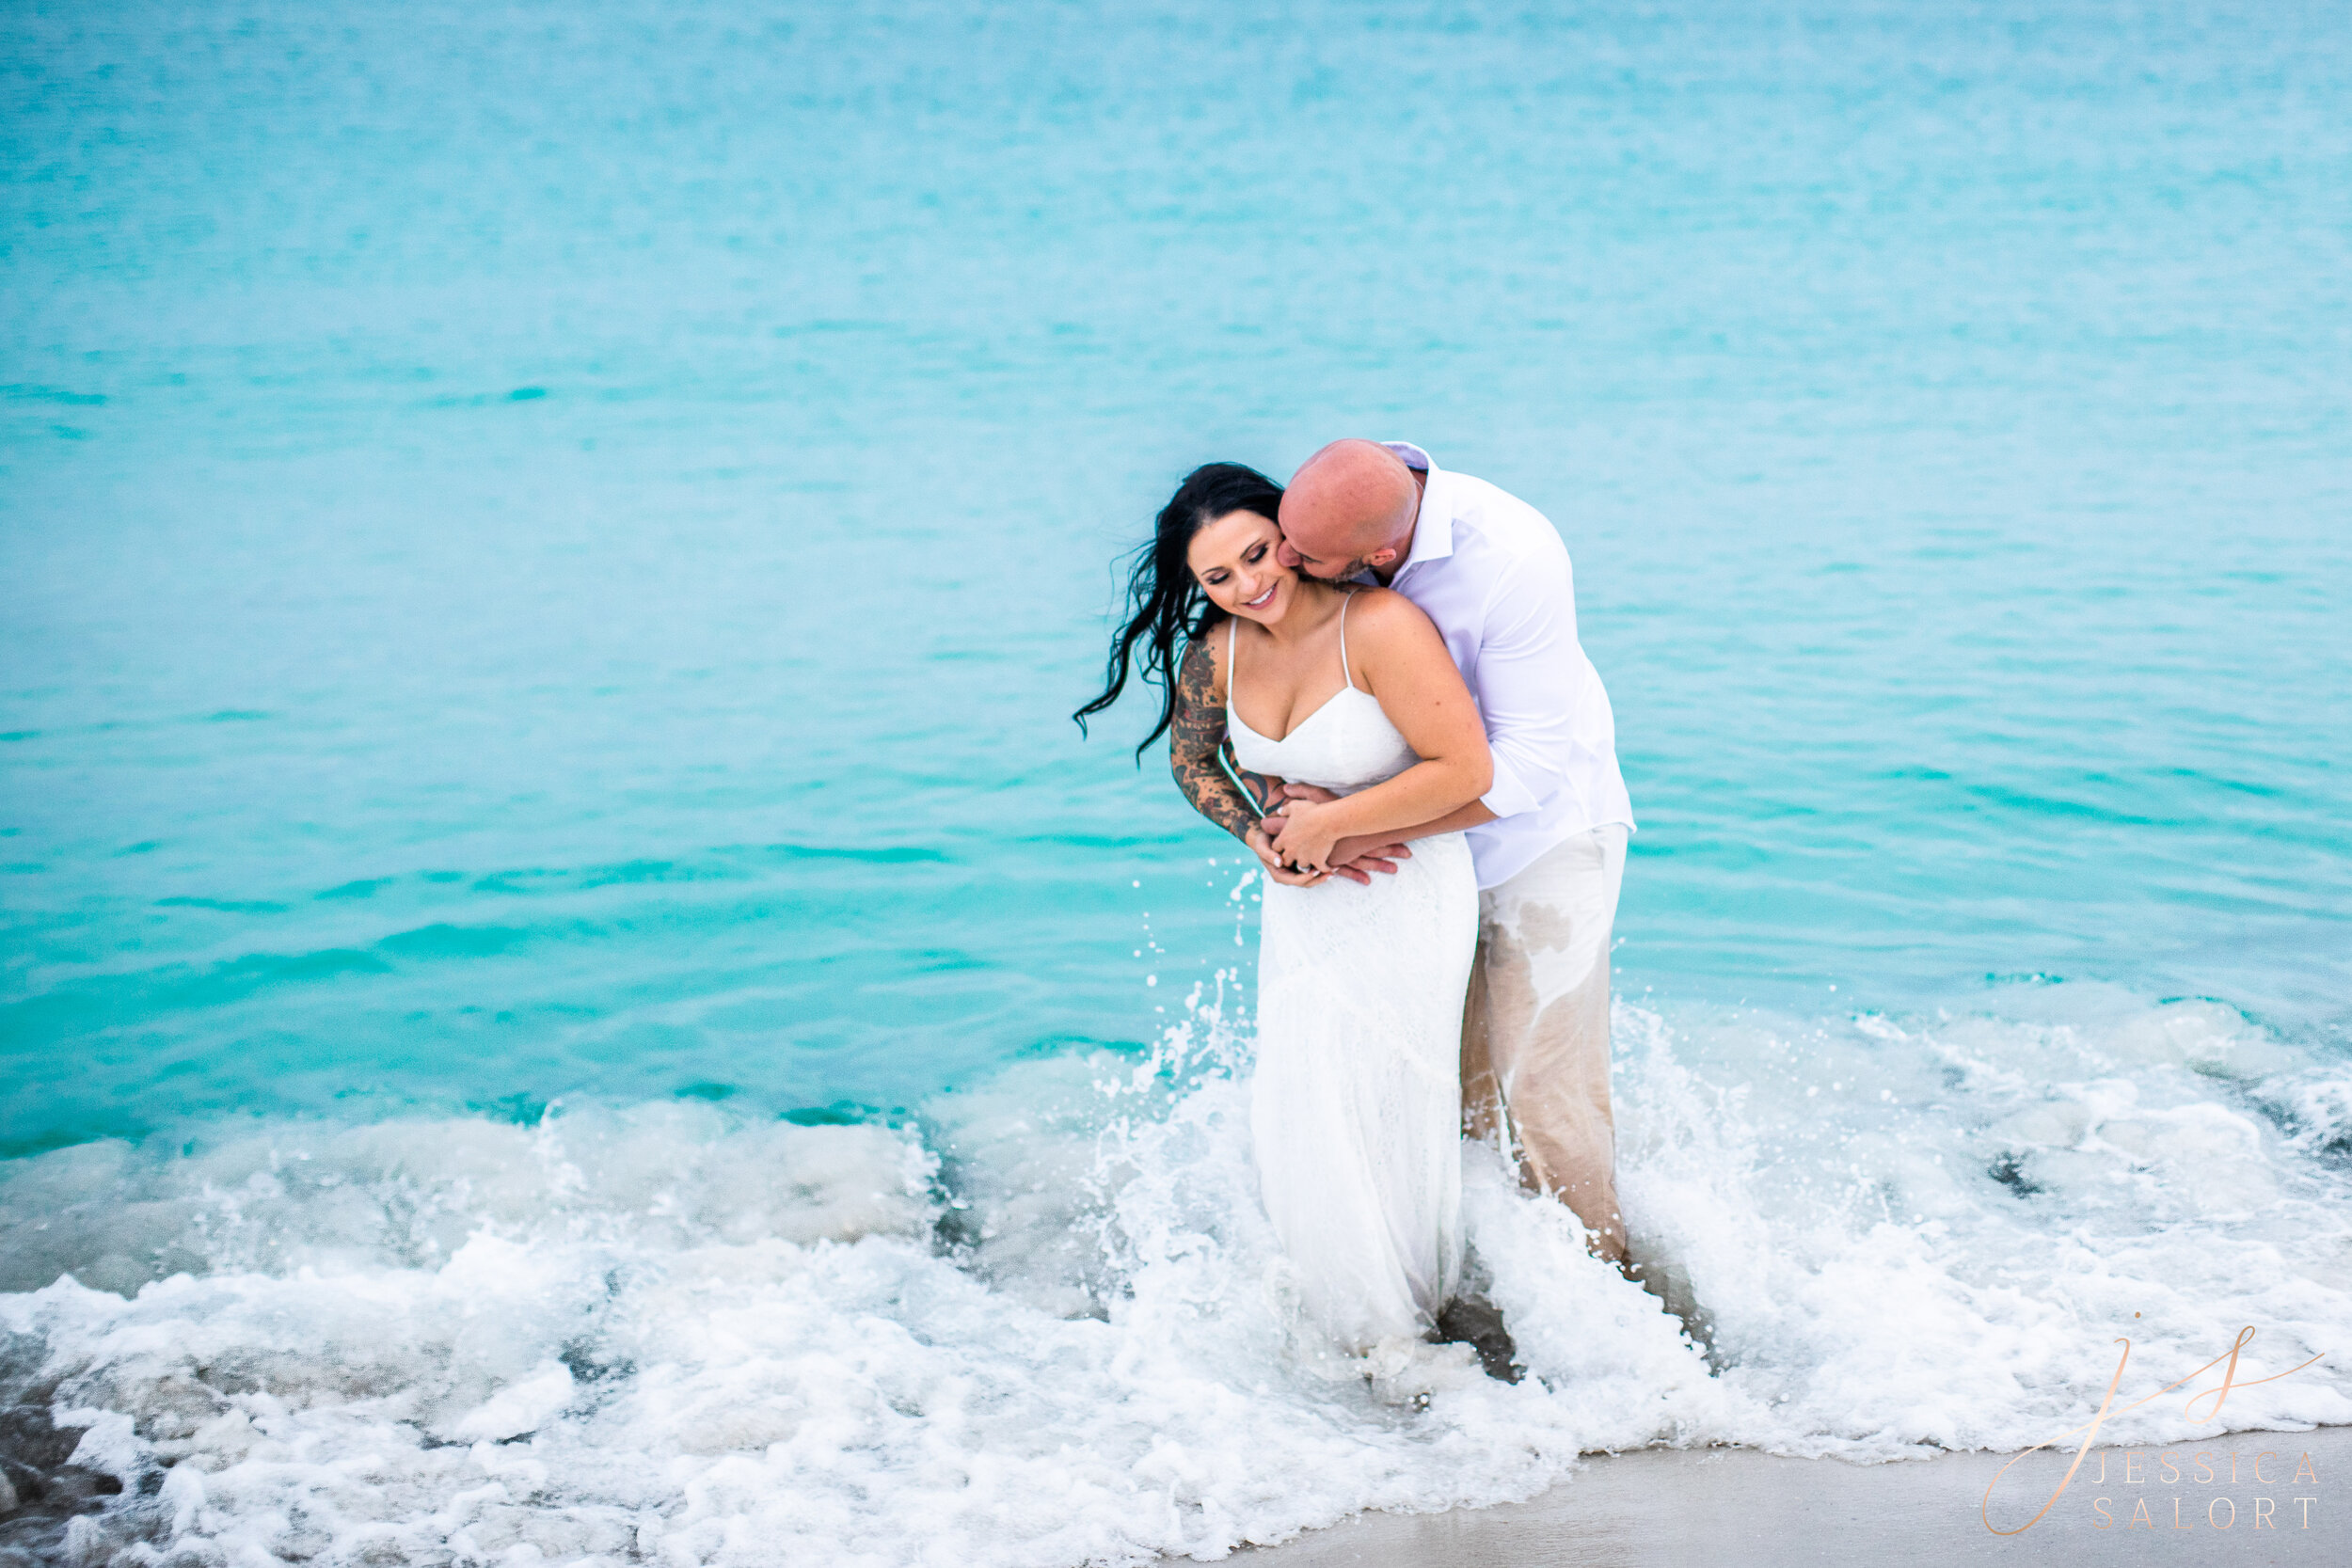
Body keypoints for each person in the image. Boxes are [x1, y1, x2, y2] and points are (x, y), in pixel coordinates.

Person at [1171, 441, 1638, 1263]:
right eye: (1259, 550)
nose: (1278, 565)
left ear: (1378, 555)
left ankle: (1613, 1297)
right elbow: (1223, 738)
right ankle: (1480, 1288)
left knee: (1542, 1088)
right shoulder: (1346, 501)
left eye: (1292, 554)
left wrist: (1343, 826)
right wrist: (1274, 817)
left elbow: (1518, 769)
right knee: (1447, 1097)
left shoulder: (1513, 557)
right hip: (1414, 864)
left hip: (1543, 832)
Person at [1075, 463, 1494, 1352]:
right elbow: (1195, 765)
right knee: (1308, 1096)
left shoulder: (1377, 624)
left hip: (1405, 890)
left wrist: (1335, 825)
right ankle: (1346, 1329)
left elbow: (1466, 769)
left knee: (1392, 1093)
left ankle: (1414, 1322)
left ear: (1289, 536)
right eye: (1217, 578)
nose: (1249, 585)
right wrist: (1261, 834)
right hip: (1303, 903)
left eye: (1257, 553)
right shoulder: (1217, 651)